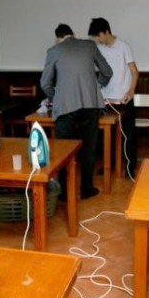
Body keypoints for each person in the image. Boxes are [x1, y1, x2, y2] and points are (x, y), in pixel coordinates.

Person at [40, 23, 112, 199]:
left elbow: (45, 84)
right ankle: (87, 189)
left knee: (64, 150)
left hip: (65, 107)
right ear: (73, 33)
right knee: (88, 148)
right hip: (91, 104)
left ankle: (65, 193)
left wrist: (55, 98)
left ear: (58, 38)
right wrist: (97, 86)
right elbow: (107, 72)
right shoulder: (89, 45)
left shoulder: (54, 50)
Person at [88, 17, 140, 179]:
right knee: (107, 136)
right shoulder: (99, 49)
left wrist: (131, 91)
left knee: (128, 135)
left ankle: (130, 167)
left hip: (123, 99)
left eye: (98, 36)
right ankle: (108, 166)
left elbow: (134, 71)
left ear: (106, 32)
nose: (97, 39)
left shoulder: (124, 46)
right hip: (105, 99)